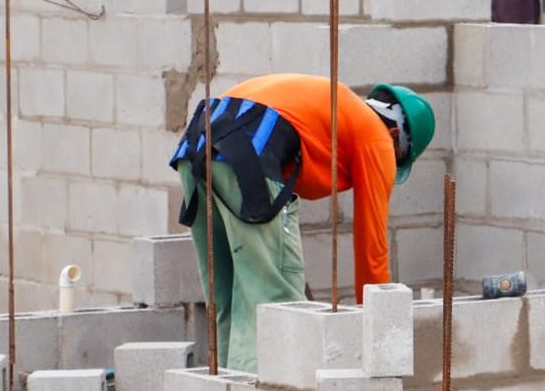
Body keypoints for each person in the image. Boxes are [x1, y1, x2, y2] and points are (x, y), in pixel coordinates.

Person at [168, 74, 434, 372]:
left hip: (196, 147)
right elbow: (372, 249)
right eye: (397, 158)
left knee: (228, 298)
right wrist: (377, 327)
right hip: (247, 154)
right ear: (396, 134)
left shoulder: (339, 109)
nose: (390, 163)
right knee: (275, 306)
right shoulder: (377, 136)